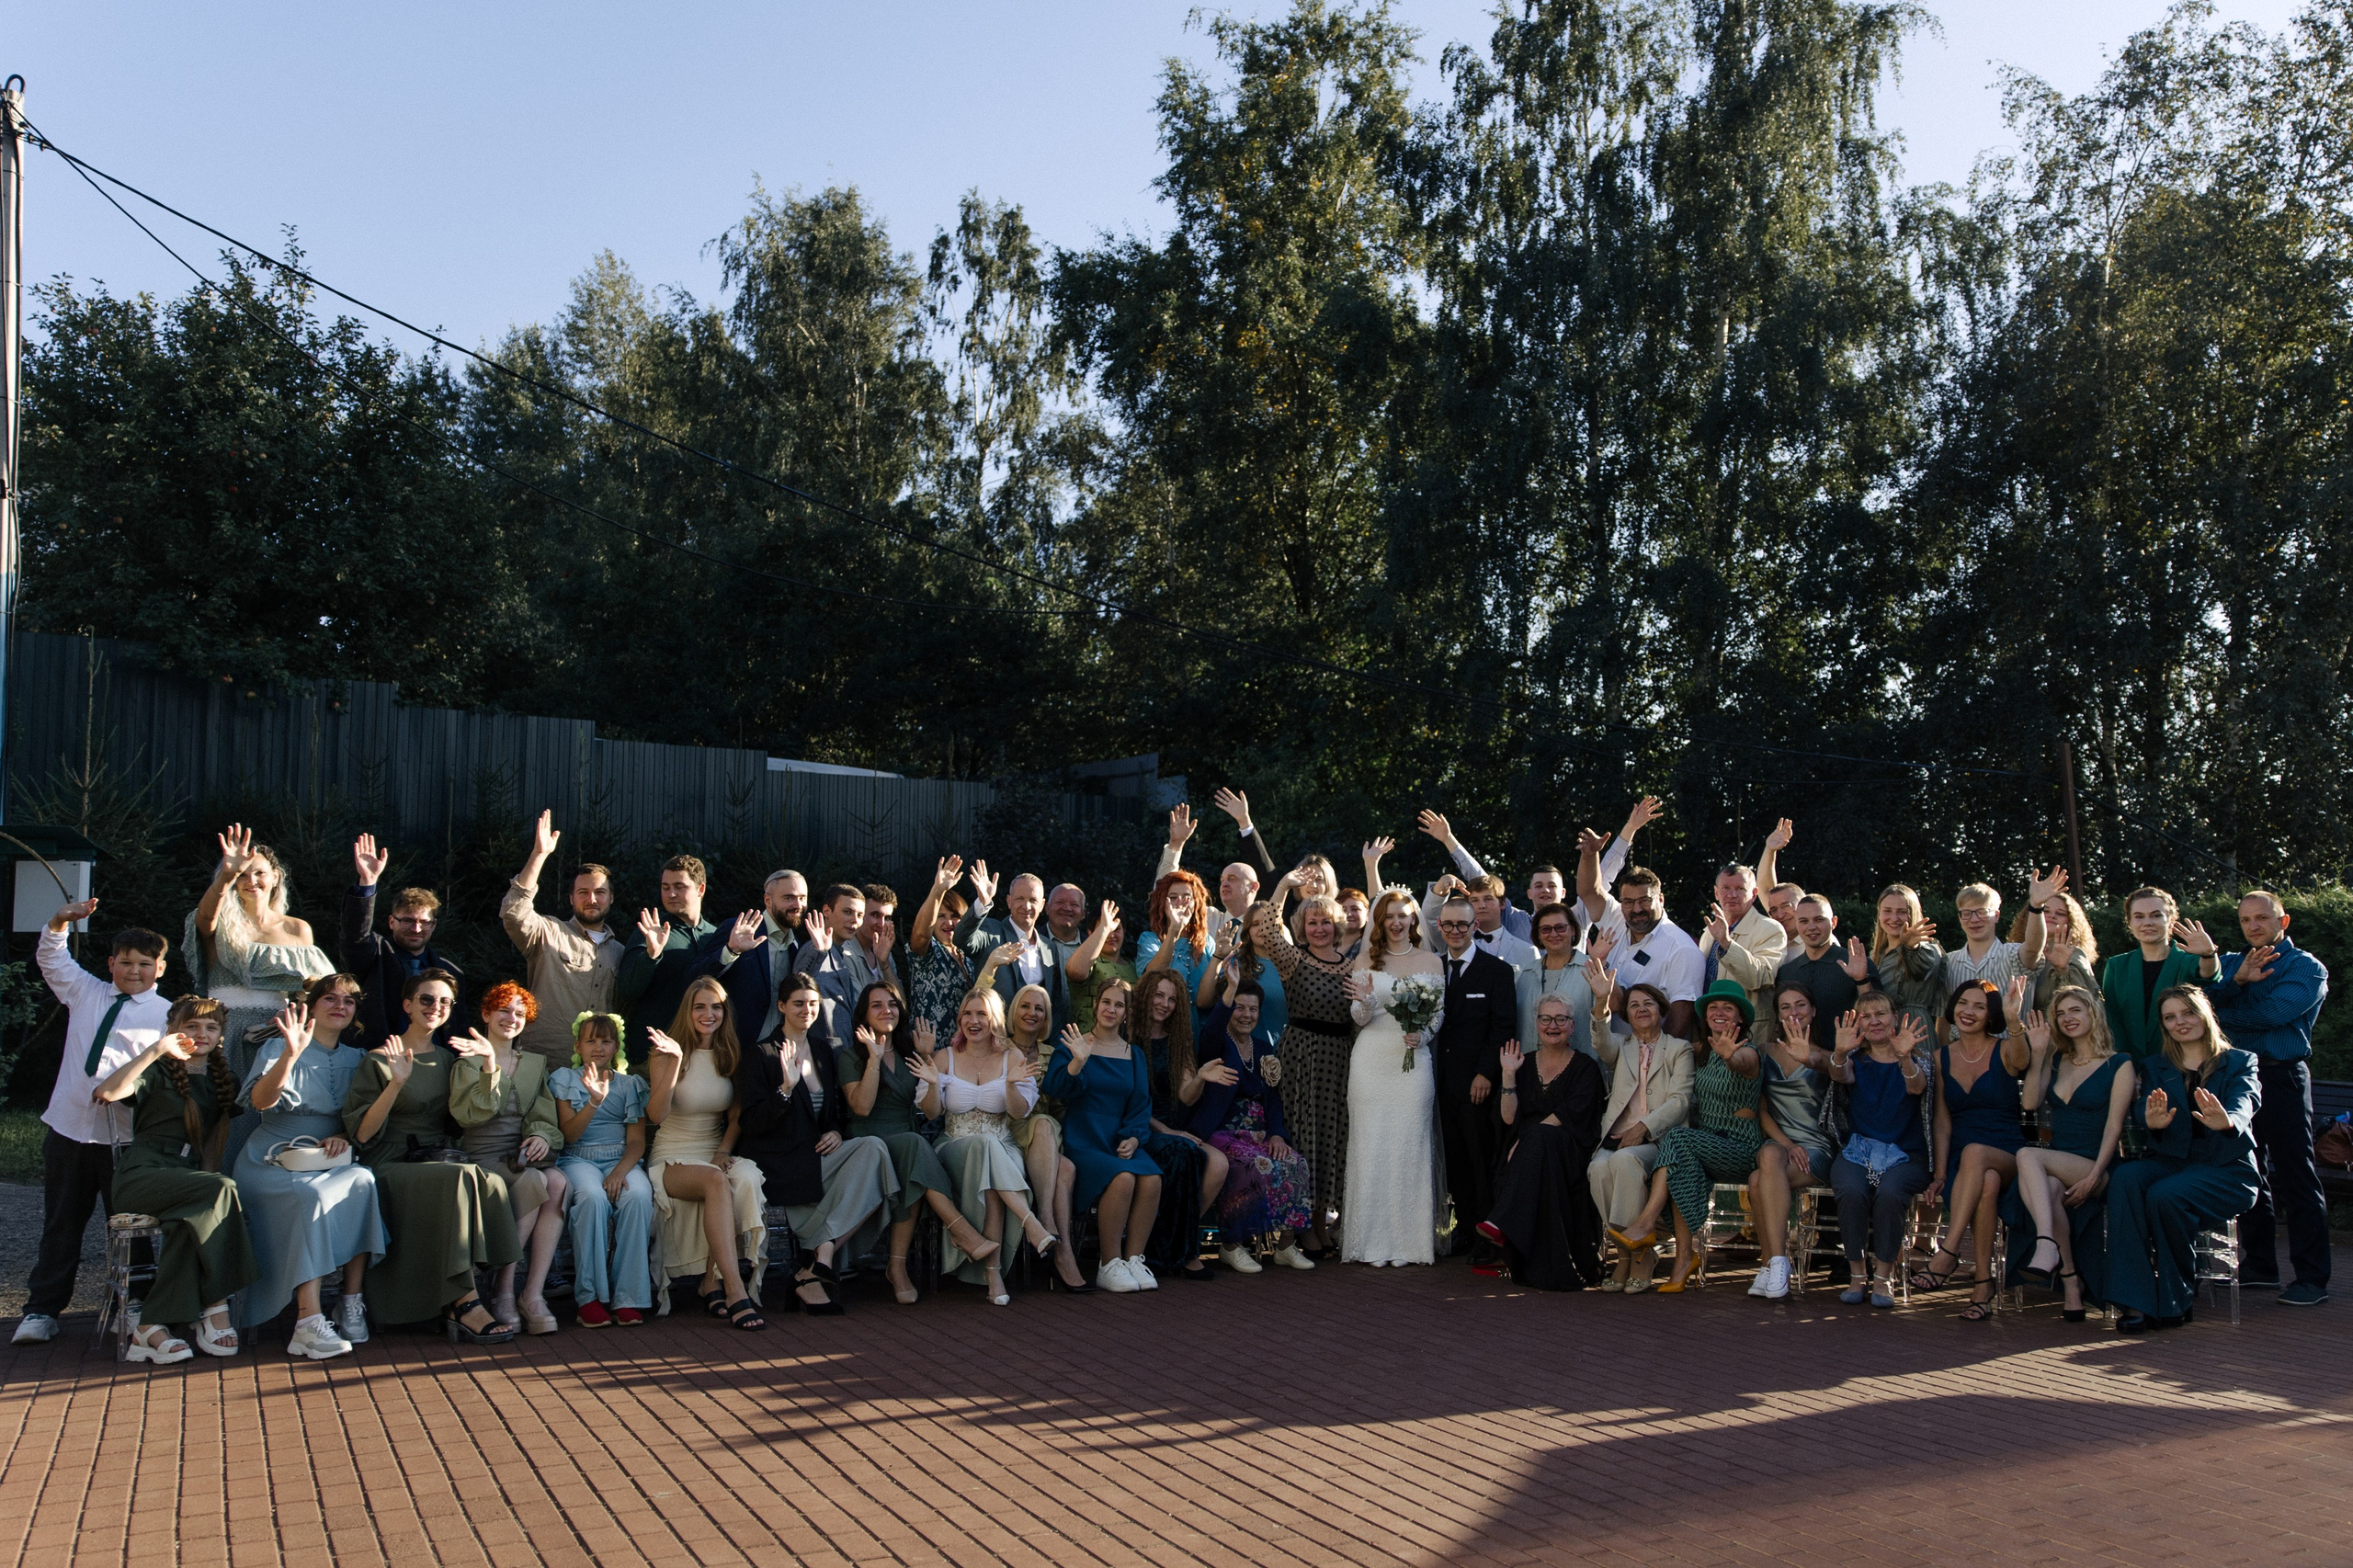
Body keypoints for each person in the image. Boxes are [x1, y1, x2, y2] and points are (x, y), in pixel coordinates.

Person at [15, 900, 173, 1346]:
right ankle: (42, 1310)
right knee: (61, 1224)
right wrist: (59, 922)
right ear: (111, 964)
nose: (134, 971)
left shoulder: (166, 1014)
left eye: (145, 964)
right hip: (68, 1128)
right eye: (125, 963)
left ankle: (135, 1305)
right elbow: (52, 958)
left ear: (160, 968)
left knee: (129, 1227)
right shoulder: (85, 991)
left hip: (123, 1139)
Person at [340, 971, 519, 1343]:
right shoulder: (378, 1059)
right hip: (390, 1162)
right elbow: (362, 1134)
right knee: (459, 1178)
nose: (434, 1007)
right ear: (407, 1005)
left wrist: (489, 1064)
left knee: (489, 1180)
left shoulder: (447, 1059)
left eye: (443, 1002)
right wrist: (396, 1082)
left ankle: (475, 1293)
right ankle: (465, 1303)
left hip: (438, 1158)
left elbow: (469, 1116)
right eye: (426, 999)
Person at [93, 996, 260, 1362]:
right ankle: (215, 1305)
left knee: (193, 1223)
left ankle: (149, 1327)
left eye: (211, 1027)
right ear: (173, 1029)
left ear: (220, 1036)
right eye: (192, 1026)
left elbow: (216, 1142)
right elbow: (106, 1093)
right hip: (142, 1175)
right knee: (223, 1187)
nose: (202, 1033)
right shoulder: (157, 1070)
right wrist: (156, 1050)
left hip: (190, 1180)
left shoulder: (223, 1080)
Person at [233, 978, 386, 1353]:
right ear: (312, 1006)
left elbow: (362, 1119)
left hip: (329, 1156)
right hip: (272, 1158)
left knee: (363, 1180)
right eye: (330, 998)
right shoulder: (277, 1046)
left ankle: (350, 1301)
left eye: (349, 1001)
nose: (340, 1005)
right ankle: (308, 1320)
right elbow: (261, 1102)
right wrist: (290, 1053)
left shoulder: (359, 1058)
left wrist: (346, 1138)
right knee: (312, 1195)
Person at [733, 972, 898, 1316]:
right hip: (779, 1165)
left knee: (874, 1151)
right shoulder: (761, 1053)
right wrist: (785, 1090)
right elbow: (750, 1124)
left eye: (812, 1003)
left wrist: (836, 1131)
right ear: (781, 1006)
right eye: (798, 1003)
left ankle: (820, 1256)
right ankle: (817, 1264)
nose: (807, 1010)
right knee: (871, 1174)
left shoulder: (825, 1049)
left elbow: (833, 1112)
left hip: (817, 1155)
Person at [2195, 891, 2331, 1306]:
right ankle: (2260, 1268)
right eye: (2245, 920)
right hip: (2236, 1080)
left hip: (2282, 1077)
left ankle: (2311, 1279)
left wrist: (2218, 1013)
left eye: (2262, 918)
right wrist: (2234, 982)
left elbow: (2271, 1015)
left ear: (2282, 921)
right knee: (2245, 1168)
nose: (2254, 926)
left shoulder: (2307, 968)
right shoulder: (2233, 963)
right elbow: (2201, 999)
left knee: (2295, 1176)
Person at [835, 982, 1007, 1301]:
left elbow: (929, 1112)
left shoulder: (907, 1053)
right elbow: (861, 1106)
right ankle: (961, 1232)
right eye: (877, 1005)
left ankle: (897, 1267)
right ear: (864, 1013)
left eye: (892, 1004)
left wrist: (928, 1056)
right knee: (916, 1149)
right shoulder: (850, 1056)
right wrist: (874, 1058)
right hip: (870, 1141)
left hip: (908, 1137)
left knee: (914, 1158)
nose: (886, 1010)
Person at [2105, 985, 2262, 1331]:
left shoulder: (2239, 1061)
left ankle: (2174, 1300)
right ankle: (2134, 1300)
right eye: (2170, 1018)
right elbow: (2143, 1110)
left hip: (2225, 1169)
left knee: (2166, 1195)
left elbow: (2246, 1100)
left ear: (2203, 1013)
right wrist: (2150, 1123)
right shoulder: (2156, 1066)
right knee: (2125, 1179)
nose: (2181, 1023)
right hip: (2171, 1161)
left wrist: (2229, 1119)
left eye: (2187, 1013)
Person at [183, 825, 334, 1150]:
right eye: (243, 875)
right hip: (223, 1033)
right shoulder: (220, 922)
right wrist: (224, 875)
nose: (252, 881)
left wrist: (295, 1016)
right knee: (221, 1122)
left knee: (269, 1120)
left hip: (276, 1036)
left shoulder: (297, 929)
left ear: (276, 877)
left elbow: (310, 992)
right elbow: (203, 919)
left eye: (260, 873)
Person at [1614, 982, 1762, 1293]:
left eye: (1728, 1008)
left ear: (1740, 1019)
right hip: (1704, 1146)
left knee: (1679, 1139)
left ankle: (1645, 1223)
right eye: (1713, 1008)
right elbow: (1665, 1057)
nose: (1719, 1013)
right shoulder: (1698, 1051)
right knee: (1682, 1162)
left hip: (1740, 1148)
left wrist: (1730, 1056)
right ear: (1705, 1017)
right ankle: (1683, 1260)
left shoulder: (1748, 1051)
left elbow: (1743, 1065)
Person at [913, 989, 1056, 1305]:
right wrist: (935, 1084)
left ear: (994, 1020)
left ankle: (993, 1275)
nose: (973, 1021)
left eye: (981, 1014)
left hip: (1002, 1149)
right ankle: (1031, 1223)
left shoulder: (1012, 1058)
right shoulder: (943, 1057)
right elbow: (932, 1113)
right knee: (983, 1147)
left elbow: (1019, 1113)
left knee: (990, 1173)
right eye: (967, 1013)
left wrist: (1008, 1084)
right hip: (953, 1148)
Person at [643, 975, 768, 1330]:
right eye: (700, 1006)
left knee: (743, 1176)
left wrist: (723, 1150)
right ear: (688, 1011)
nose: (708, 1014)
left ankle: (709, 1281)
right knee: (716, 1181)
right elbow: (656, 1115)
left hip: (711, 1153)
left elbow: (735, 1116)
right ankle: (734, 1289)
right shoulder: (665, 1051)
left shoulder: (731, 1053)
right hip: (671, 1158)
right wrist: (677, 1059)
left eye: (716, 1007)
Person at [1249, 872, 1361, 1255]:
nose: (1319, 928)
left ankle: (1319, 1221)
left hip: (1339, 1057)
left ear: (1338, 925)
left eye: (1325, 921)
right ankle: (1293, 1227)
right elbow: (1265, 927)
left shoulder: (1351, 967)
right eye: (1311, 922)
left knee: (1333, 1138)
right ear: (1302, 926)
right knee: (1302, 1136)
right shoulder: (1293, 958)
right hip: (1300, 1056)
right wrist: (1282, 886)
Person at [449, 983, 569, 1335]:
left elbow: (543, 1116)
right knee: (537, 1181)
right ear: (486, 1014)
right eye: (504, 1009)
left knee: (559, 1181)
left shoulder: (534, 1064)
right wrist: (489, 1066)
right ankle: (503, 1289)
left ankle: (531, 1294)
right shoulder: (467, 1061)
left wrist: (540, 1136)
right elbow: (467, 1117)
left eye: (519, 1013)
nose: (511, 1018)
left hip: (518, 1155)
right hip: (481, 1155)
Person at [2007, 985, 2131, 1322]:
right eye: (2061, 1014)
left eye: (2075, 1010)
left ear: (2093, 1012)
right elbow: (2030, 1103)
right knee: (2046, 1188)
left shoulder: (2119, 1064)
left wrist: (2094, 1177)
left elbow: (2114, 1128)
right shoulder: (2057, 1059)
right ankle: (2071, 1281)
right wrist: (2038, 1053)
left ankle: (2045, 1245)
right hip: (2058, 1162)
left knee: (2027, 1155)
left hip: (2098, 1165)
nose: (2068, 1018)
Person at [1913, 978, 2031, 1322]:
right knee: (1986, 1183)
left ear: (1990, 1014)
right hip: (1964, 1164)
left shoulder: (2006, 1048)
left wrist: (2013, 1020)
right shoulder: (1938, 1058)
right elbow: (1942, 1123)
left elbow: (2023, 1061)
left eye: (1979, 1006)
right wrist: (1940, 1174)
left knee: (1979, 1156)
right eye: (1964, 1003)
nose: (1969, 1011)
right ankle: (1982, 1283)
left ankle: (1948, 1251)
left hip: (2007, 1151)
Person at [1477, 994, 1607, 1290]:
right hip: (1528, 1158)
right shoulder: (1523, 1065)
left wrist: (1526, 1142)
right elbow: (1509, 1119)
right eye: (1546, 1019)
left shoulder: (1585, 1067)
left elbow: (1571, 1115)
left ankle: (1501, 1222)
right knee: (1534, 1144)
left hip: (1568, 1153)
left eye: (1561, 1019)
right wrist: (1508, 1076)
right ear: (1536, 1025)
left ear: (1572, 1026)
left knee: (1540, 1135)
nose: (1553, 1025)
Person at [1186, 978, 1313, 1273]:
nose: (1246, 1015)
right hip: (1221, 1132)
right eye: (1238, 1007)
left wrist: (1278, 1134)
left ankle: (1285, 1245)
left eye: (1253, 1009)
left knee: (1293, 1163)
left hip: (1258, 1132)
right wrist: (1228, 991)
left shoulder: (1263, 1046)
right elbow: (1213, 1028)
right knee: (1251, 1166)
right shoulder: (1216, 1042)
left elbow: (1272, 1098)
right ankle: (1232, 1245)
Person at [1425, 892, 1518, 1268]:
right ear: (1439, 926)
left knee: (1481, 1162)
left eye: (1462, 924)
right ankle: (1462, 1227)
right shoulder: (1431, 969)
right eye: (1448, 925)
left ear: (1474, 926)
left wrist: (1485, 1073)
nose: (1455, 931)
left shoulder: (1496, 971)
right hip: (1438, 1083)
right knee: (1455, 1162)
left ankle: (1487, 1234)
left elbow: (1504, 1027)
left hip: (1478, 1085)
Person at [1586, 971, 1694, 1292]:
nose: (1642, 1009)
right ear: (1627, 1015)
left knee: (1625, 1162)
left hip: (1660, 1140)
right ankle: (1625, 1255)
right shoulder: (1622, 1046)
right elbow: (1600, 1041)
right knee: (1598, 1167)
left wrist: (1643, 1128)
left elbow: (1681, 1100)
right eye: (1634, 1005)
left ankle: (1641, 1255)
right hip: (1617, 1137)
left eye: (1649, 1003)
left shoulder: (1679, 1049)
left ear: (1661, 1011)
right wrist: (1602, 1000)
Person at [1047, 1003, 1165, 1293]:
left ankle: (1134, 1260)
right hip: (1083, 1139)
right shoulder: (1075, 1042)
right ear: (1096, 1006)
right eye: (1106, 1003)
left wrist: (1135, 1137)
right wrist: (1078, 1062)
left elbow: (1140, 1104)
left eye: (1120, 1005)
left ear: (1127, 1013)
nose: (1111, 1009)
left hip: (1118, 1140)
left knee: (1152, 1179)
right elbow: (1054, 1088)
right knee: (1123, 1178)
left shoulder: (1134, 1054)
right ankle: (1108, 1264)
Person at [549, 1012, 655, 1328]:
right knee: (592, 1198)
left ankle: (629, 1298)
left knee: (637, 1195)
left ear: (616, 1046)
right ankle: (590, 1298)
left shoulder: (630, 1085)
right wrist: (594, 1102)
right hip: (577, 1159)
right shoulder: (565, 1079)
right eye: (591, 1040)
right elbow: (569, 1135)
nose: (598, 1047)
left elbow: (636, 1141)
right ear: (578, 1045)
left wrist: (620, 1172)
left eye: (606, 1041)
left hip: (620, 1159)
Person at [1826, 993, 1933, 1307]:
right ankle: (1858, 1274)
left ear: (1894, 1017)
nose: (1874, 1021)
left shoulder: (1919, 1057)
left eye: (1880, 1014)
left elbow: (1916, 1086)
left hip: (1907, 1153)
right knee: (1849, 1188)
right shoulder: (1856, 1059)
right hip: (1859, 1151)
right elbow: (1839, 1075)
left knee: (1890, 1194)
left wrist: (1904, 1057)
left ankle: (1884, 1276)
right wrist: (1839, 1051)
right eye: (1866, 1015)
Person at [501, 810, 624, 1062]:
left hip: (596, 1069)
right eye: (583, 892)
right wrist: (539, 854)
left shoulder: (621, 953)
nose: (592, 899)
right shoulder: (547, 933)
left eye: (600, 892)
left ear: (611, 898)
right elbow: (513, 914)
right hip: (544, 1062)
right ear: (571, 898)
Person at [1130, 975, 1222, 1281]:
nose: (1164, 1005)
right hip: (1137, 1125)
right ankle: (1186, 1252)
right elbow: (1132, 1100)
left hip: (1171, 1126)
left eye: (1171, 1000)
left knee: (1218, 1163)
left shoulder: (1177, 1037)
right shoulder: (1128, 1036)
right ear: (1145, 996)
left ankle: (1174, 1244)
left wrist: (1200, 1078)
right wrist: (1166, 1132)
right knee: (1183, 1152)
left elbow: (1186, 1095)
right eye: (1158, 996)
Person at [1747, 983, 1835, 1300]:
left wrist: (1810, 1058)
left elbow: (1837, 1071)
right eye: (1785, 1007)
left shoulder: (1828, 1056)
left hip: (1816, 1148)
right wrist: (1787, 1144)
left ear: (1813, 1011)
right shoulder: (1765, 1051)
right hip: (1781, 1144)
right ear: (1778, 1015)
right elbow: (1762, 1110)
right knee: (1766, 1161)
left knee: (1759, 1180)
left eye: (1800, 1005)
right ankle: (1779, 1263)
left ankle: (1772, 1263)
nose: (1793, 1012)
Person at [995, 980, 1084, 1281]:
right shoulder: (998, 1047)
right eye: (1025, 1006)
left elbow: (1059, 1105)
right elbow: (977, 1000)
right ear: (1012, 1012)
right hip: (1005, 1129)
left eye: (1039, 1009)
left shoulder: (1054, 1052)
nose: (1032, 1013)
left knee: (1045, 1123)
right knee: (1067, 1170)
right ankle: (1060, 1247)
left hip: (1044, 1133)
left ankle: (1048, 1229)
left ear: (1046, 1018)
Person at [341, 833, 463, 1046]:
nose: (416, 928)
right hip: (378, 1058)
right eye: (407, 920)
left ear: (433, 925)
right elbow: (356, 936)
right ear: (391, 921)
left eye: (424, 922)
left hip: (431, 1064)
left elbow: (456, 1028)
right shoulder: (375, 955)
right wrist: (367, 883)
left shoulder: (451, 972)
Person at [1576, 841, 1703, 1040]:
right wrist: (1589, 856)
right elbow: (1588, 892)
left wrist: (1654, 1058)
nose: (1636, 909)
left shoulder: (1681, 948)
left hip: (1649, 1060)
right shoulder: (1617, 918)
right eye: (1628, 902)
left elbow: (1682, 1012)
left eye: (1645, 900)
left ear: (1660, 899)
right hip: (1608, 1052)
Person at [616, 855, 733, 1055]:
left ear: (700, 889)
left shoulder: (716, 936)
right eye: (665, 887)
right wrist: (651, 955)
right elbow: (627, 990)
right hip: (654, 1053)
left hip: (703, 1054)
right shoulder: (650, 931)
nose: (671, 894)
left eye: (679, 887)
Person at [1415, 808, 1568, 943]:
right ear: (1529, 893)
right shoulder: (1514, 919)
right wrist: (1448, 840)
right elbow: (1482, 880)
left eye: (1552, 885)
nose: (1545, 890)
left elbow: (1590, 891)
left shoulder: (1575, 919)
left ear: (1563, 892)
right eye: (1539, 886)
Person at [955, 864, 1071, 1036]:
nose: (1026, 906)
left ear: (1042, 905)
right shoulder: (991, 932)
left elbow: (1055, 1004)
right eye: (1019, 899)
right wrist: (982, 904)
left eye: (1033, 900)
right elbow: (961, 939)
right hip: (995, 1041)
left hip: (1034, 1047)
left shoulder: (1049, 947)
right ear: (1009, 901)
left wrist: (1052, 1047)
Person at [2098, 887, 2208, 1061]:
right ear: (2129, 922)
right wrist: (2125, 1062)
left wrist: (2209, 954)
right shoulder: (2117, 965)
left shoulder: (2188, 961)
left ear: (2171, 920)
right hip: (2131, 1065)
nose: (2147, 922)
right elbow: (2113, 1017)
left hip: (2182, 1062)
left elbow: (2209, 973)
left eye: (2156, 915)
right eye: (2139, 916)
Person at [1940, 872, 2062, 1005]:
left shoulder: (2013, 955)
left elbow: (2033, 948)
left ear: (1996, 916)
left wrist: (2036, 907)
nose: (1974, 919)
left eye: (1982, 912)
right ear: (1960, 918)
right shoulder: (1949, 962)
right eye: (1967, 914)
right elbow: (1945, 1016)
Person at [1773, 896, 1878, 1044]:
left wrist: (1861, 980)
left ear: (1834, 922)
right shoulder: (1786, 972)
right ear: (1796, 924)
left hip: (1852, 1058)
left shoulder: (1857, 963)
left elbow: (1878, 1014)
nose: (1811, 927)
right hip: (1803, 1060)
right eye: (1804, 921)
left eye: (1819, 920)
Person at [793, 882, 881, 1041]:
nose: (855, 921)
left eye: (860, 915)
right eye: (847, 912)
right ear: (827, 911)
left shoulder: (842, 954)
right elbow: (796, 991)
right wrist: (819, 952)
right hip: (818, 1053)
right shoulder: (812, 950)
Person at [904, 857, 977, 1042]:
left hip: (960, 1055)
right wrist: (937, 891)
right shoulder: (928, 952)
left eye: (955, 916)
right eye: (941, 916)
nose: (949, 922)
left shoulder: (967, 958)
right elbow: (921, 935)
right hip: (927, 1052)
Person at [1517, 903, 1597, 1063]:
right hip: (1530, 1071)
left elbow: (1615, 1006)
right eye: (1546, 929)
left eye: (1560, 927)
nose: (1553, 934)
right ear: (1538, 935)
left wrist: (1602, 962)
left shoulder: (1591, 968)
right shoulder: (1526, 974)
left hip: (1579, 1072)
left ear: (1573, 930)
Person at [1868, 884, 1945, 1033]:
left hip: (1913, 1029)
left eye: (1902, 912)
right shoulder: (1875, 954)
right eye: (1887, 911)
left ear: (1912, 914)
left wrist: (1912, 948)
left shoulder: (1928, 948)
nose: (1894, 918)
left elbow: (1922, 968)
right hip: (1880, 1031)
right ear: (1879, 913)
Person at [1136, 869, 1219, 1004]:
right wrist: (1174, 930)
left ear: (1196, 904)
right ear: (1162, 904)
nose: (1180, 902)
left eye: (1187, 897)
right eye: (1173, 897)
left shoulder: (1208, 942)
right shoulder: (1150, 940)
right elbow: (1151, 979)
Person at [2011, 892, 2099, 1017]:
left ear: (2070, 921)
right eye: (2045, 911)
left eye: (2060, 913)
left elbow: (2088, 997)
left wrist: (2063, 970)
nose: (2052, 916)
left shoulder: (2075, 954)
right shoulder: (2015, 951)